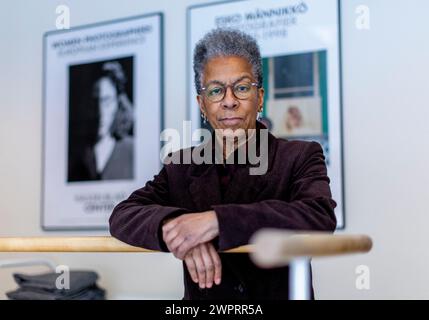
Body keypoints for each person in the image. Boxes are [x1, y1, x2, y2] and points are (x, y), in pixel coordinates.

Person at [109, 29, 336, 299]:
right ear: (202, 104)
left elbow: (318, 216)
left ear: (260, 97)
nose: (229, 101)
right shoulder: (181, 164)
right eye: (216, 91)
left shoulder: (299, 155)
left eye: (241, 88)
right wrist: (181, 228)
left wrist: (217, 221)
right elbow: (123, 214)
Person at [68, 61, 134, 181]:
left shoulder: (132, 149)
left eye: (106, 101)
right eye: (95, 101)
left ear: (118, 104)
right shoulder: (77, 155)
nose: (100, 112)